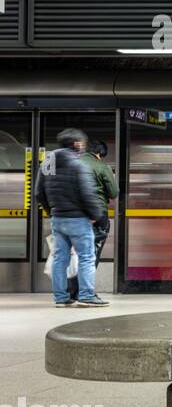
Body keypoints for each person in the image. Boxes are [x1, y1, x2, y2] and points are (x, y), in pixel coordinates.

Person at [32, 128, 108, 308]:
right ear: (76, 144)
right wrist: (95, 215)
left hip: (58, 219)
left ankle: (61, 298)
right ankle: (86, 295)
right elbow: (87, 193)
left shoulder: (47, 164)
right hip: (78, 219)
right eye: (81, 143)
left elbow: (37, 193)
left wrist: (51, 211)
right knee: (87, 257)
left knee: (60, 257)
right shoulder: (78, 164)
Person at [68, 139, 118, 301]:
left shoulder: (71, 165)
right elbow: (114, 192)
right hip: (97, 215)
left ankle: (70, 291)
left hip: (73, 215)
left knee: (72, 253)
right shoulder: (102, 167)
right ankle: (85, 292)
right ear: (100, 153)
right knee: (91, 254)